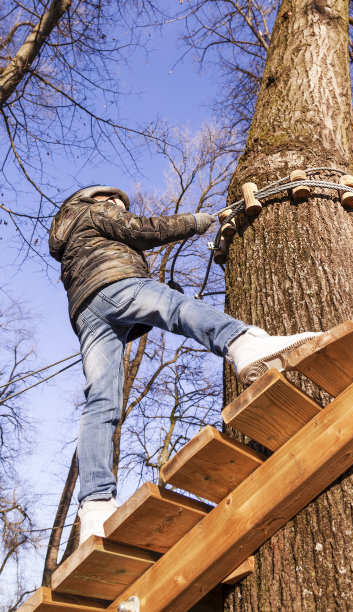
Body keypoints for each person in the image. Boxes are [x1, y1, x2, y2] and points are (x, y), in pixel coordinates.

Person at [49, 185, 321, 545]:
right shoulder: (94, 210)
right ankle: (245, 344)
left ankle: (95, 506)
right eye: (115, 201)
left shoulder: (68, 236)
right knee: (175, 306)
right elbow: (141, 229)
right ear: (96, 198)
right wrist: (195, 222)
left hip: (86, 312)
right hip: (115, 284)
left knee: (101, 403)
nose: (118, 205)